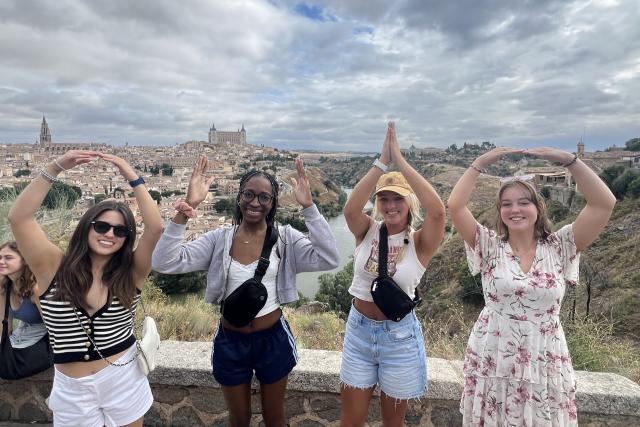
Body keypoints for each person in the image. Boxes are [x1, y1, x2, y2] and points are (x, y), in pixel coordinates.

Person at [151, 155, 339, 427]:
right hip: (230, 340)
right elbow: (163, 262)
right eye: (249, 194)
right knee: (238, 419)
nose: (255, 203)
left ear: (272, 203)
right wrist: (188, 207)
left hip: (272, 339)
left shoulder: (286, 239)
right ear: (239, 197)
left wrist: (309, 207)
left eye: (264, 197)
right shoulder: (219, 240)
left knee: (275, 418)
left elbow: (330, 257)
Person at [447, 147, 616, 426]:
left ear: (538, 207)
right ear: (500, 211)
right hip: (494, 356)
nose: (515, 210)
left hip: (544, 359)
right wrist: (479, 163)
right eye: (506, 204)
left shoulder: (561, 246)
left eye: (523, 202)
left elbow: (603, 204)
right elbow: (455, 206)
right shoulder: (488, 246)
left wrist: (569, 161)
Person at [8, 150, 163, 427]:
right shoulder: (53, 267)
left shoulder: (131, 273)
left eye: (120, 231)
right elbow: (19, 218)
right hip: (72, 387)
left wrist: (132, 176)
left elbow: (155, 228)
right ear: (86, 227)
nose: (110, 234)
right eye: (102, 226)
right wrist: (55, 167)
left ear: (127, 238)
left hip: (124, 377)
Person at [340, 122, 446, 427]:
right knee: (350, 421)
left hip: (398, 338)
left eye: (398, 198)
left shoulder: (420, 242)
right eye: (384, 199)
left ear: (410, 202)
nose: (390, 205)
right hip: (359, 332)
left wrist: (400, 161)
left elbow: (438, 212)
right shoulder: (367, 230)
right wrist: (380, 162)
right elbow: (349, 210)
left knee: (393, 424)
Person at [0, 241, 47, 349]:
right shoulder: (6, 287)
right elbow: (5, 329)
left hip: (42, 342)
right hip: (20, 337)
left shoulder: (36, 288)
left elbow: (53, 328)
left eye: (8, 257)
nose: (1, 261)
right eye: (0, 257)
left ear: (25, 260)